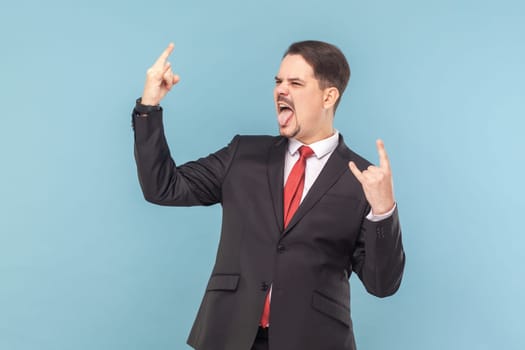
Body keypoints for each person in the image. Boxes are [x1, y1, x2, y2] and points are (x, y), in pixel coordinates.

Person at [131, 40, 405, 350]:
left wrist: (383, 210)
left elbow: (382, 284)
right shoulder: (243, 155)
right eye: (278, 81)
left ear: (328, 96)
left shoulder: (363, 179)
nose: (281, 90)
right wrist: (148, 108)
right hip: (229, 336)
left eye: (295, 83)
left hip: (314, 340)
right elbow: (163, 187)